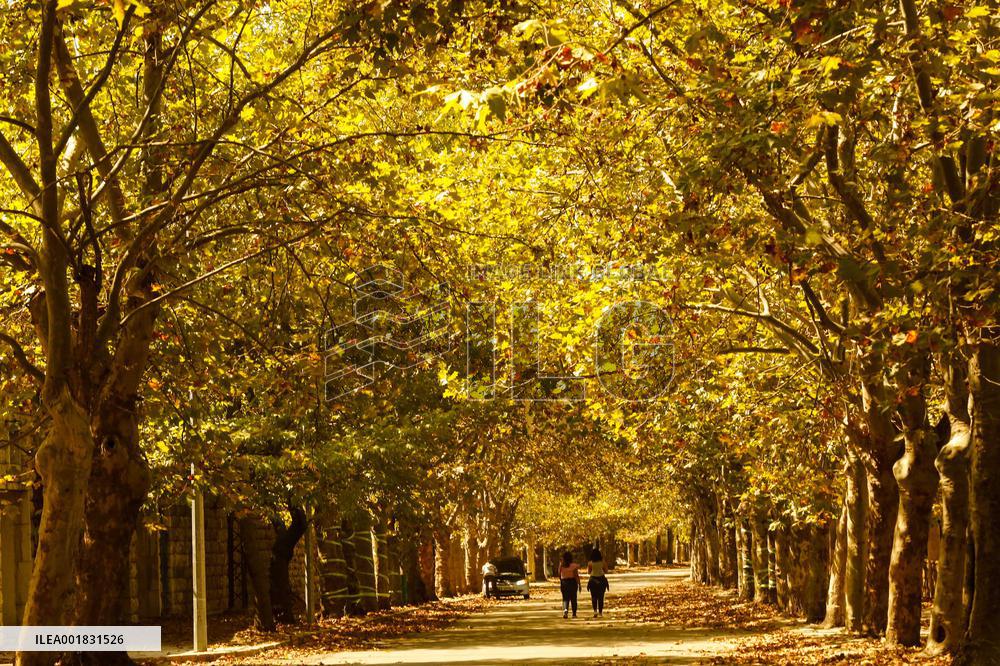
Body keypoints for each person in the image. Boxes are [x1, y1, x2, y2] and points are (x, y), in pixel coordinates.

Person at [587, 547, 610, 617]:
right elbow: (606, 571)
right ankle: (600, 612)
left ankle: (595, 611)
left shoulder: (590, 563)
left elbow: (588, 572)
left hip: (593, 580)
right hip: (601, 579)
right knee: (601, 597)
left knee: (593, 596)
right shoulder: (602, 562)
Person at [558, 551, 581, 618]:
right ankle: (574, 614)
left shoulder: (561, 565)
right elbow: (576, 576)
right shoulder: (573, 566)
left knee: (565, 598)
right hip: (572, 582)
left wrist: (562, 580)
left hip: (564, 582)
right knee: (573, 598)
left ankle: (565, 610)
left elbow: (559, 574)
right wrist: (579, 584)